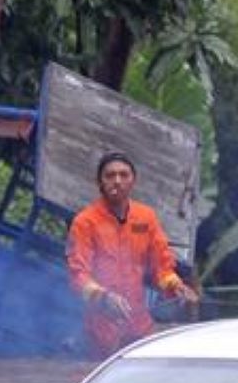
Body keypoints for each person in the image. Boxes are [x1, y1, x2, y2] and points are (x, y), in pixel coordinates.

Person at [65, 150, 200, 357]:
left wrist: (176, 286)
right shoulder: (85, 222)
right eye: (110, 176)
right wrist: (104, 297)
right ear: (100, 183)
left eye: (123, 175)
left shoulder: (146, 218)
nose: (117, 181)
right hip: (100, 331)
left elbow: (162, 266)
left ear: (133, 181)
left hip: (139, 328)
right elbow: (78, 276)